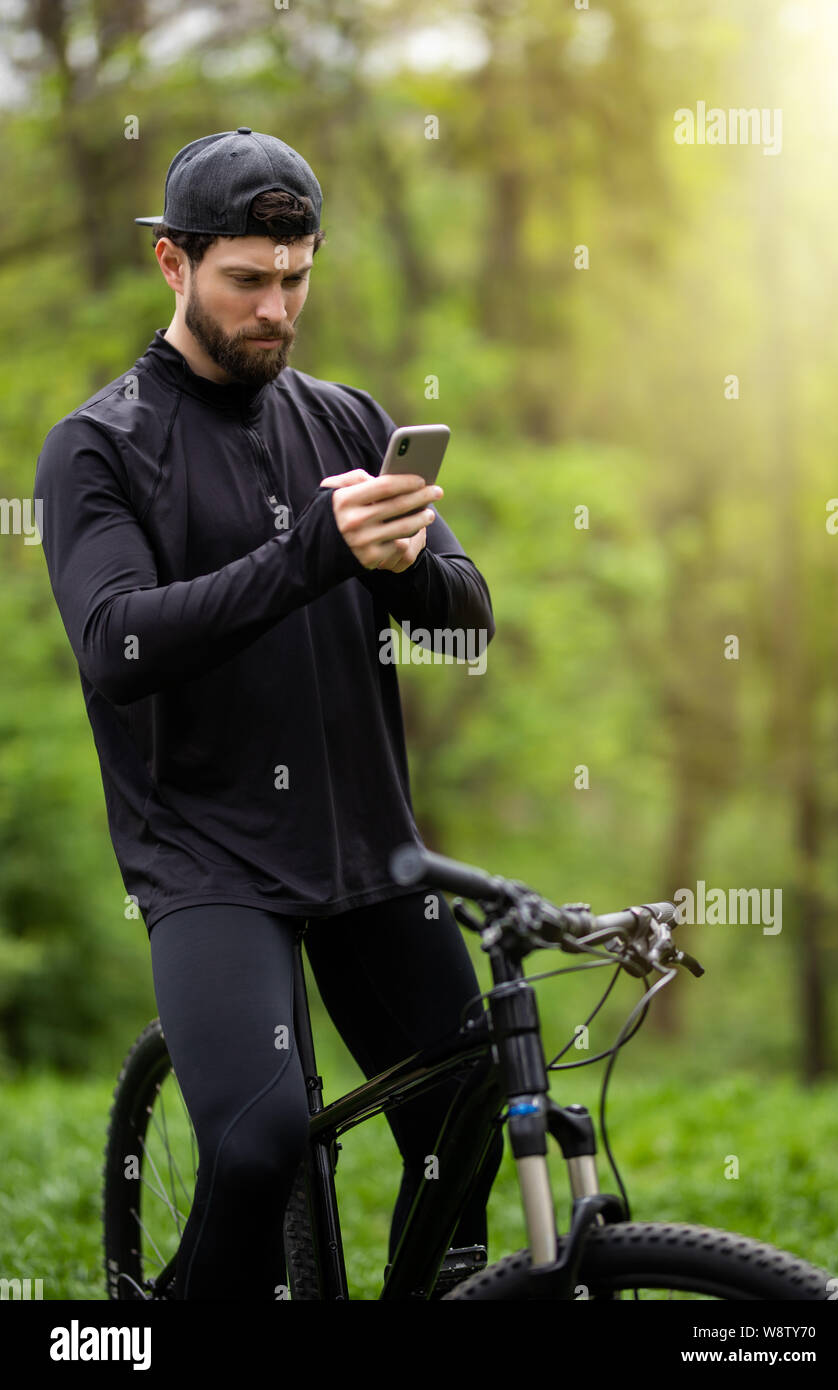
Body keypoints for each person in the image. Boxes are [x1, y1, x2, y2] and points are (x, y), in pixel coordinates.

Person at [33, 128, 503, 1299]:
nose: (275, 307)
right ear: (173, 266)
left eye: (296, 276)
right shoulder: (99, 446)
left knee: (478, 1100)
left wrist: (399, 567)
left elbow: (467, 621)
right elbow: (119, 643)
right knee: (255, 1146)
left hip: (368, 847)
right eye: (247, 278)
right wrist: (313, 555)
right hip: (209, 862)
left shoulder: (347, 421)